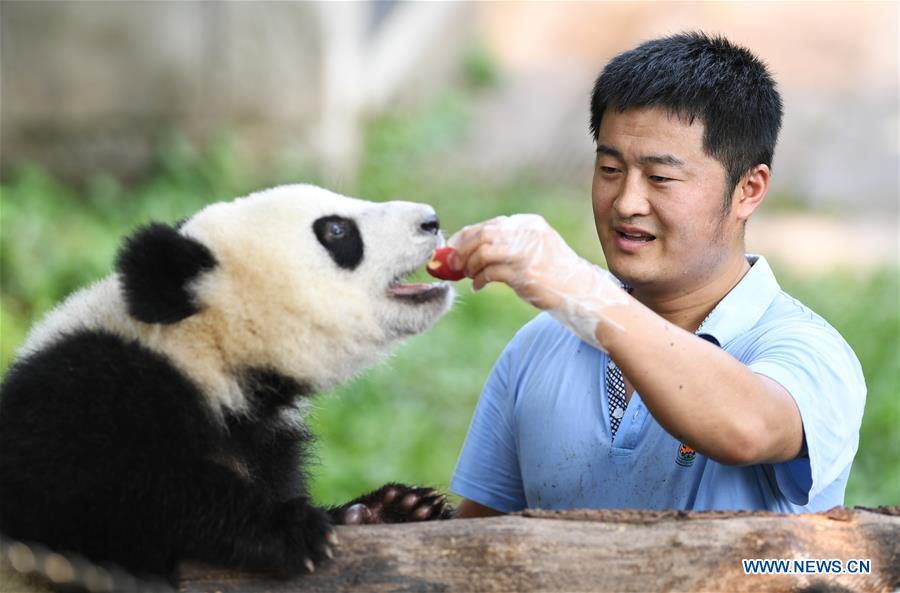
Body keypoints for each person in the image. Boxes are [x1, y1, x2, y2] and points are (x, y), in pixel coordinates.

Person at [445, 32, 866, 516]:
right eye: (609, 168)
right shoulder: (538, 345)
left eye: (661, 178)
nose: (626, 202)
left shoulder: (809, 350)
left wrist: (581, 290)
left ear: (749, 189)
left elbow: (748, 427)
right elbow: (479, 543)